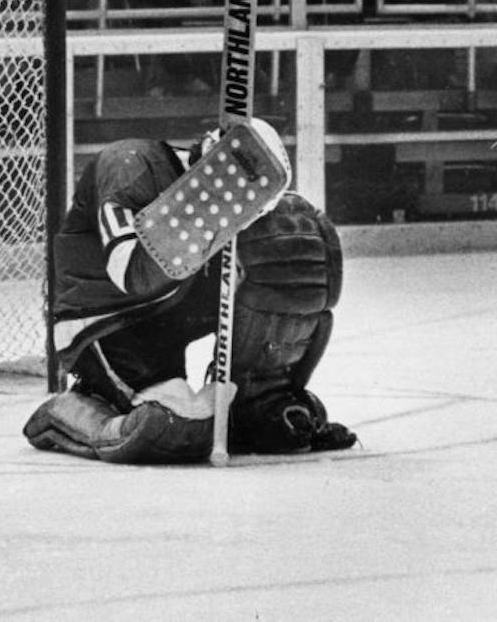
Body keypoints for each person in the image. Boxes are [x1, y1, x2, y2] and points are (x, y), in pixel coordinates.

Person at [23, 122, 357, 464]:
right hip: (108, 321)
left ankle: (255, 398)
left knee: (291, 241)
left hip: (175, 301)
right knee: (171, 429)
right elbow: (132, 271)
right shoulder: (131, 164)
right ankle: (70, 410)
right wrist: (213, 207)